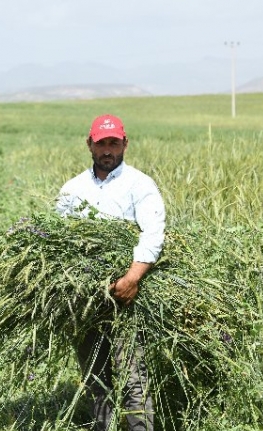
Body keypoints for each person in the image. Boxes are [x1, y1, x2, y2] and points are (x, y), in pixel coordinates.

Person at [56, 114, 166, 431]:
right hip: (87, 301)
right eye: (101, 143)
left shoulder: (140, 185)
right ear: (89, 144)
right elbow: (58, 238)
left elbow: (152, 233)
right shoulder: (72, 189)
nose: (108, 150)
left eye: (113, 143)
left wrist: (132, 278)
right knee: (95, 379)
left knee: (134, 381)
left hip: (130, 299)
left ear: (124, 144)